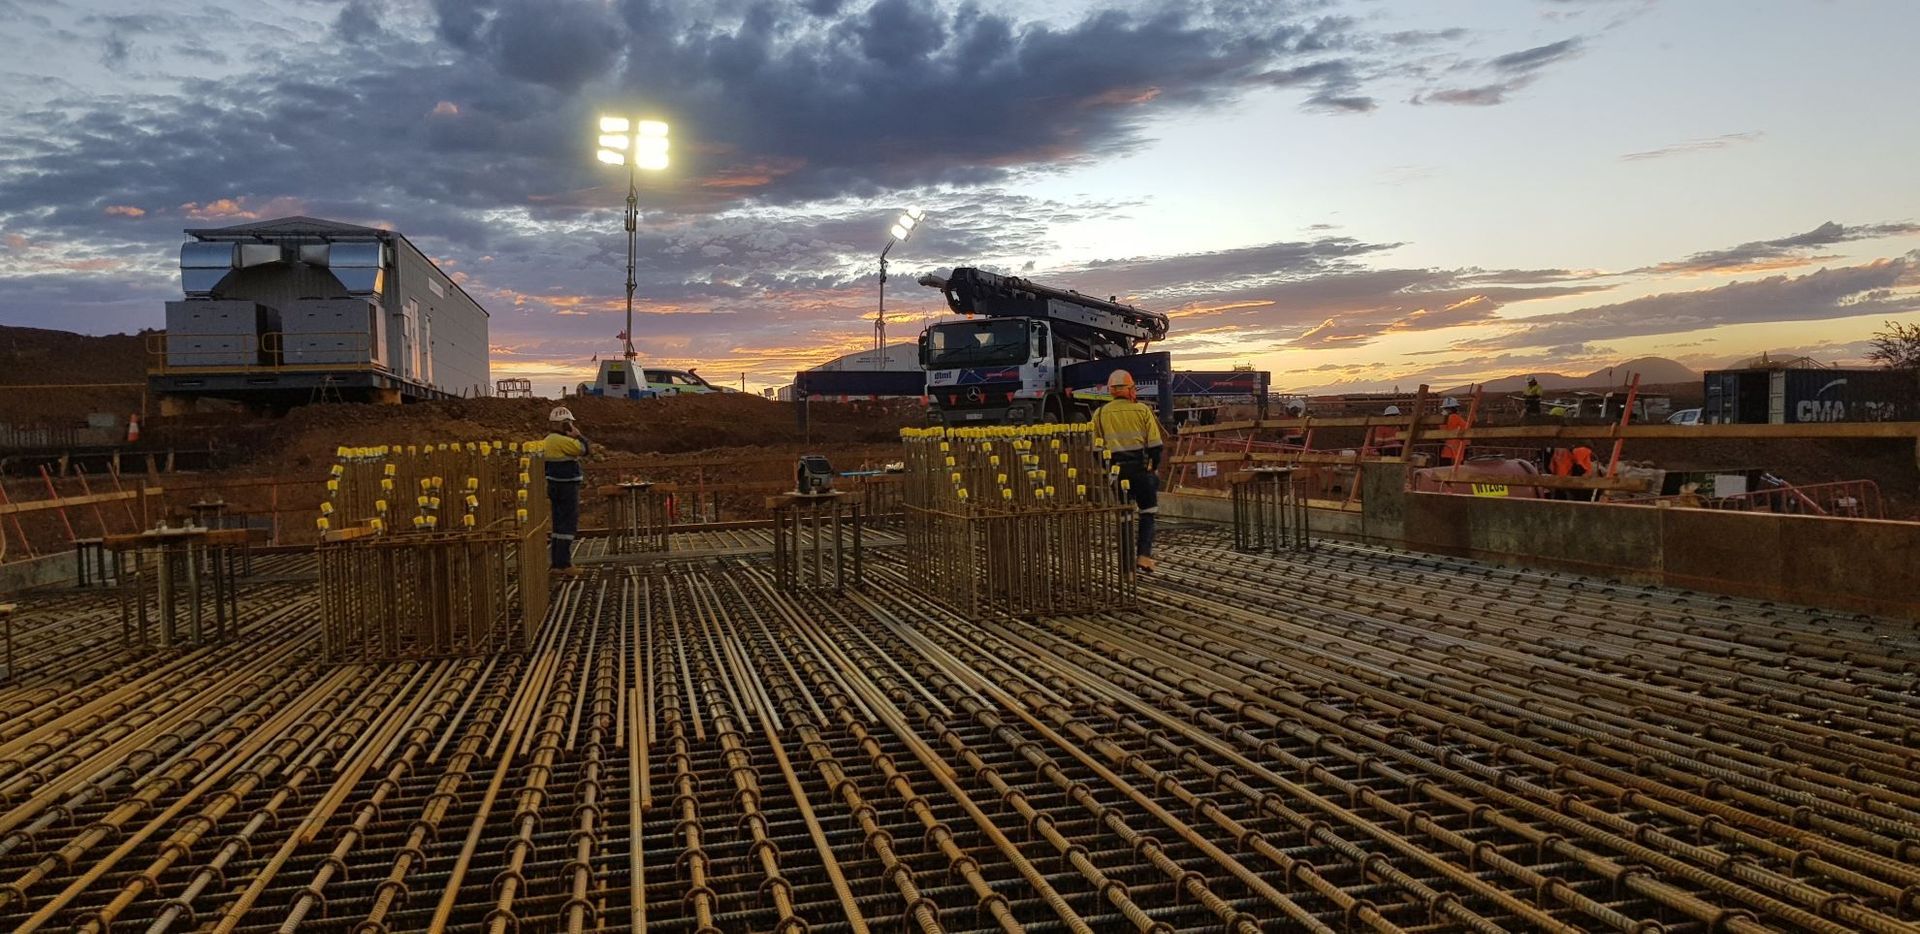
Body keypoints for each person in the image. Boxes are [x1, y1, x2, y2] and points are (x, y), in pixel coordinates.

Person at [1092, 370, 1163, 574]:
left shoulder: (1100, 414)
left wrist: (1108, 471)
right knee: (1148, 513)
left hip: (1117, 471)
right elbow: (1156, 446)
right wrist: (1154, 468)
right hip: (1141, 469)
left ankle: (1125, 564)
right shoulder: (1142, 410)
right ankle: (1144, 556)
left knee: (1124, 515)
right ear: (1131, 389)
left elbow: (1096, 450)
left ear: (1111, 390)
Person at [543, 406, 589, 577]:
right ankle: (564, 564)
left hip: (554, 485)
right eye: (569, 423)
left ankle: (556, 563)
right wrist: (577, 435)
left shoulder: (547, 440)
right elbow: (585, 449)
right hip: (567, 486)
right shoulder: (564, 442)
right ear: (565, 424)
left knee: (558, 525)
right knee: (568, 525)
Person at [1440, 397, 1469, 466]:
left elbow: (1443, 432)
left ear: (1448, 409)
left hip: (1450, 451)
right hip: (1459, 450)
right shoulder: (1459, 418)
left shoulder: (1451, 418)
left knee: (1446, 472)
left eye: (1445, 409)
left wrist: (1442, 419)